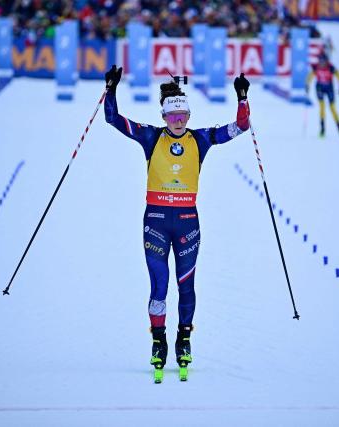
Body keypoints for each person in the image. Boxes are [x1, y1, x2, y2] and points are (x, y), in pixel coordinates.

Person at [103, 65, 251, 381]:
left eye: (183, 116)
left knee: (186, 286)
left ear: (189, 116)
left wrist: (241, 97)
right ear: (164, 117)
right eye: (173, 117)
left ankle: (184, 339)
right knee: (159, 287)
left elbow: (241, 127)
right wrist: (111, 88)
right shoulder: (150, 136)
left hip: (187, 224)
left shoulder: (201, 139)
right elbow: (113, 119)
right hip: (156, 221)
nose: (178, 122)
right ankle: (159, 342)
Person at [305, 53, 339, 137]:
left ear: (326, 61)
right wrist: (307, 85)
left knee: (332, 108)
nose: (322, 63)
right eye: (320, 61)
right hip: (320, 88)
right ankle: (322, 130)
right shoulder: (316, 67)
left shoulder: (331, 68)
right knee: (322, 108)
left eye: (323, 61)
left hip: (329, 88)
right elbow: (309, 77)